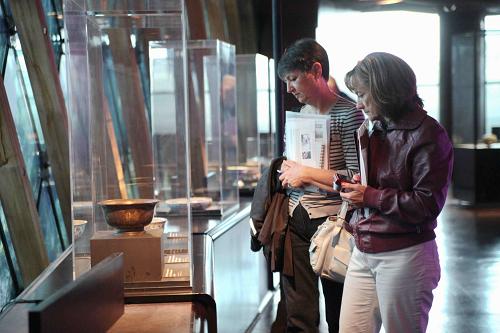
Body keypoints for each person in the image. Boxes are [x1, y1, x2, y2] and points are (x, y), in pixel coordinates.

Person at [338, 52, 453, 332]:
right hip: (364, 246)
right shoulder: (375, 125)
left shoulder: (429, 134)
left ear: (384, 91)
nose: (358, 103)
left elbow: (426, 205)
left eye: (362, 94)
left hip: (406, 254)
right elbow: (381, 183)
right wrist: (358, 185)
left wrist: (369, 195)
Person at [276, 38, 365, 332]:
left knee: (339, 314)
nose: (289, 88)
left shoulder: (349, 113)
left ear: (316, 71)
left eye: (293, 79)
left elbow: (356, 178)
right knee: (298, 315)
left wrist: (307, 173)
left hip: (333, 224)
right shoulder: (301, 114)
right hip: (295, 217)